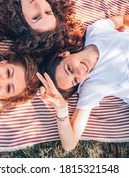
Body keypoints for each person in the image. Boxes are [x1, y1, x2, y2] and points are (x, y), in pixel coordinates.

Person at [37, 14, 129, 151]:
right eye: (75, 81)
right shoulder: (92, 87)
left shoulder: (97, 31)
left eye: (69, 69)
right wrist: (61, 109)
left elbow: (122, 20)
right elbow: (69, 144)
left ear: (64, 54)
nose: (79, 73)